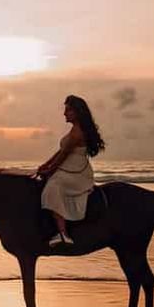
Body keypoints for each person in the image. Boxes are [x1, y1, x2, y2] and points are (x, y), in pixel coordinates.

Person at [37, 95, 105, 246]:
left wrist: (49, 171)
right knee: (51, 180)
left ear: (77, 112)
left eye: (68, 110)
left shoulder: (77, 133)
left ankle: (63, 233)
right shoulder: (74, 130)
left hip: (76, 174)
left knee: (53, 186)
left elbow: (63, 155)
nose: (64, 113)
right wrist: (45, 165)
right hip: (69, 169)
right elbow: (60, 151)